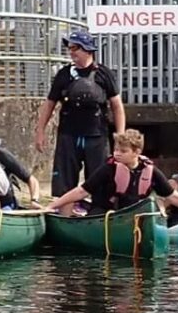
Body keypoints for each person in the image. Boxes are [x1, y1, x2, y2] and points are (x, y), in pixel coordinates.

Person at [46, 129, 178, 224]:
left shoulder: (150, 171)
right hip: (105, 214)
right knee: (95, 214)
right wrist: (52, 206)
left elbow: (175, 197)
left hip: (132, 216)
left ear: (137, 152)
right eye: (116, 150)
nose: (117, 154)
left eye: (123, 151)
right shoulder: (109, 168)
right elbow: (81, 192)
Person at [36, 29, 125, 196]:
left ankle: (98, 214)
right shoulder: (63, 75)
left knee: (100, 183)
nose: (71, 52)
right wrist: (40, 130)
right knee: (64, 183)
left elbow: (117, 106)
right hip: (69, 135)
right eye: (69, 48)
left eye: (75, 48)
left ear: (88, 50)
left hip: (97, 135)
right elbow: (49, 104)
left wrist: (120, 136)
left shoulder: (104, 74)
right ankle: (64, 216)